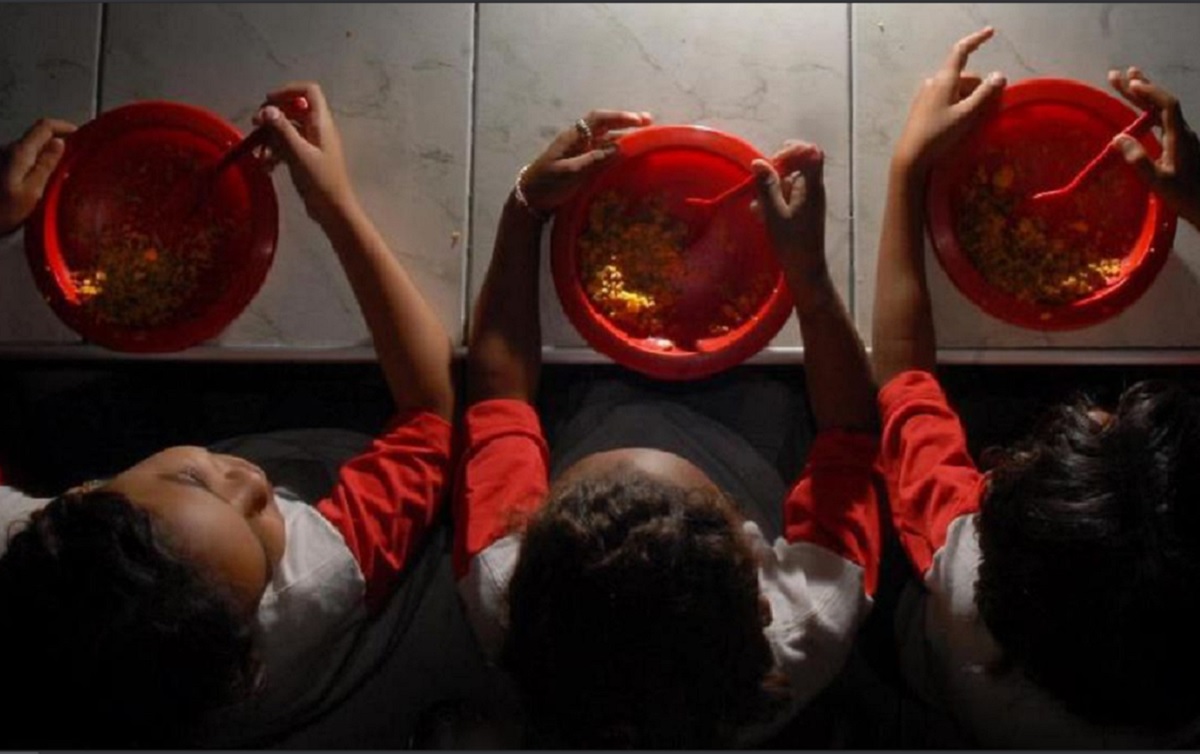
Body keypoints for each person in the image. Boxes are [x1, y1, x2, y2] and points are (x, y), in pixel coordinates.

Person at [0, 82, 456, 748]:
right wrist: (333, 203)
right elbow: (431, 411)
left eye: (195, 480)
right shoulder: (316, 583)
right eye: (263, 540)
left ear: (79, 495)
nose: (253, 481)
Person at [454, 110, 884, 747]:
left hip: (594, 413)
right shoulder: (811, 622)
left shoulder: (508, 587)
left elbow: (498, 399)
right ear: (760, 596)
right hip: (750, 444)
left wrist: (524, 211)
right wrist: (810, 278)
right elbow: (850, 433)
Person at [873, 27, 1200, 747]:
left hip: (938, 680)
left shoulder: (965, 566)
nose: (1100, 406)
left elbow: (902, 378)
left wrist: (907, 169)